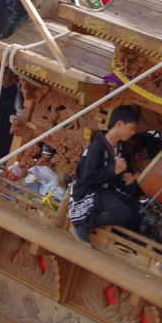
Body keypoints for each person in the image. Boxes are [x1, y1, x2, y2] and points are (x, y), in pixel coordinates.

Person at [68, 105, 142, 246]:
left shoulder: (120, 147)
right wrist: (112, 170)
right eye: (132, 127)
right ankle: (83, 225)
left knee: (139, 209)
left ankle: (134, 243)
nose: (133, 132)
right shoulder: (97, 146)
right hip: (88, 192)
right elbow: (87, 178)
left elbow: (114, 178)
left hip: (106, 191)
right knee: (122, 212)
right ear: (119, 123)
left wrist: (124, 179)